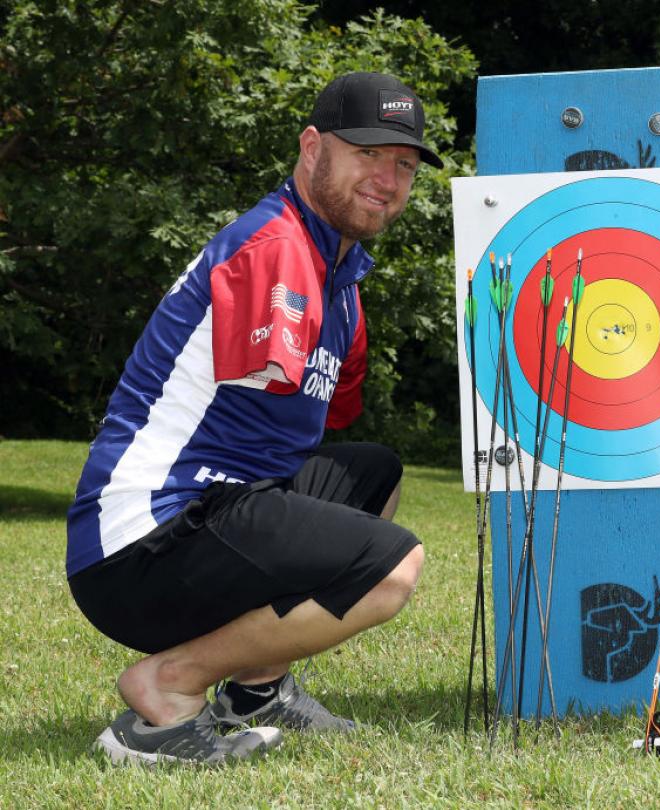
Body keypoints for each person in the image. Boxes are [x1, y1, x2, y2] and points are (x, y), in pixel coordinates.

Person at [65, 72, 442, 765]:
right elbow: (265, 404)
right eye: (368, 154)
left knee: (374, 473)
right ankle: (165, 689)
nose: (387, 179)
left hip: (208, 505)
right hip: (142, 537)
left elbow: (328, 416)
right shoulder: (276, 248)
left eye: (404, 165)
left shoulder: (341, 278)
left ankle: (256, 691)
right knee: (392, 568)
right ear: (310, 148)